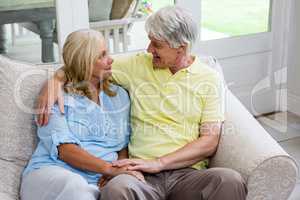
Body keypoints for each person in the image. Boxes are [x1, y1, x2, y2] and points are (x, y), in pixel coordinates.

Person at [36, 6, 247, 200]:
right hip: (140, 175)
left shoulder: (209, 79)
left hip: (186, 174)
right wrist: (56, 80)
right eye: (149, 41)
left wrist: (160, 163)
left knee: (229, 180)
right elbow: (86, 63)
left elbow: (209, 140)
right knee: (117, 189)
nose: (149, 49)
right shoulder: (137, 65)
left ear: (180, 49)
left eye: (157, 45)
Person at [20, 29, 145, 200]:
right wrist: (109, 168)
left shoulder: (119, 95)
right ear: (84, 62)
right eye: (102, 55)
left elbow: (122, 146)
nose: (111, 59)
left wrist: (118, 171)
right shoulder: (56, 96)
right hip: (53, 172)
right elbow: (65, 150)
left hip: (97, 178)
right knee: (77, 188)